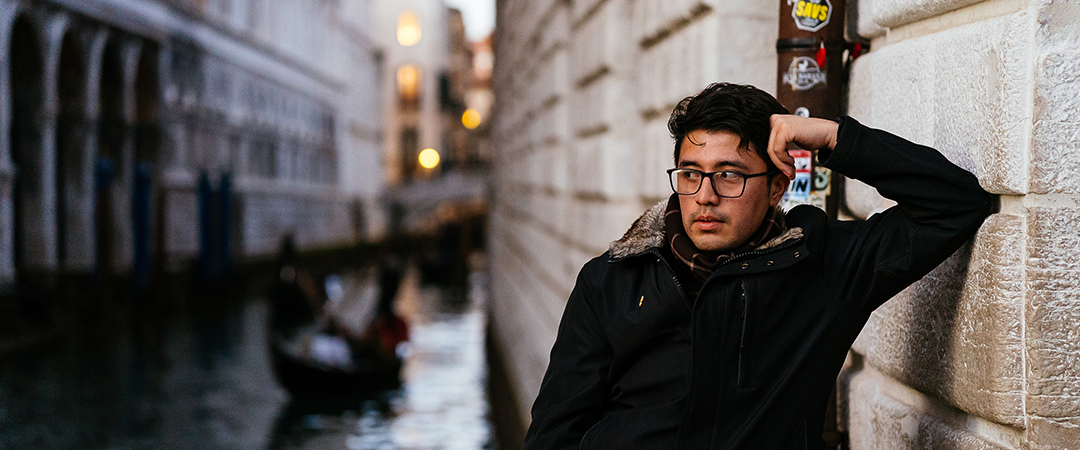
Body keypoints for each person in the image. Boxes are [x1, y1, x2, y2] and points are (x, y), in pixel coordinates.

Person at [523, 83, 993, 449]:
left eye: (729, 174)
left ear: (776, 187)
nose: (705, 195)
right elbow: (555, 432)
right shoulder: (613, 279)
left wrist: (832, 138)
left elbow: (953, 204)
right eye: (691, 173)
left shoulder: (821, 266)